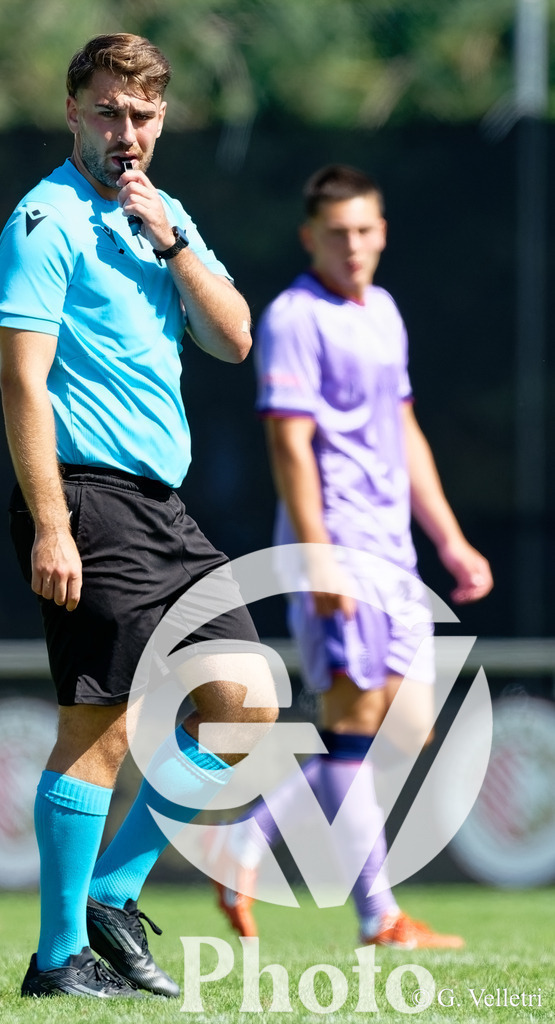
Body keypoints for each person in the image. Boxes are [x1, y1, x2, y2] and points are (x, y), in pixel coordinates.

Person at [0, 33, 278, 999]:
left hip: (164, 507)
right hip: (87, 499)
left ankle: (110, 897)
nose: (126, 133)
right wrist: (51, 525)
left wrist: (175, 242)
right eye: (108, 113)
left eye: (143, 117)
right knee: (101, 730)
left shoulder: (163, 214)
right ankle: (57, 958)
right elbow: (21, 383)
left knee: (248, 702)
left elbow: (235, 339)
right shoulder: (44, 219)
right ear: (72, 111)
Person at [209, 164, 493, 948]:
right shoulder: (294, 317)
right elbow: (288, 444)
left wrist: (449, 539)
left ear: (382, 233)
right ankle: (379, 915)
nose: (354, 246)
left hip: (394, 554)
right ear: (310, 238)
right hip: (338, 544)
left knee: (402, 731)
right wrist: (317, 555)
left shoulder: (384, 312)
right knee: (352, 727)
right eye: (337, 234)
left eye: (365, 230)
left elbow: (403, 432)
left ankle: (244, 842)